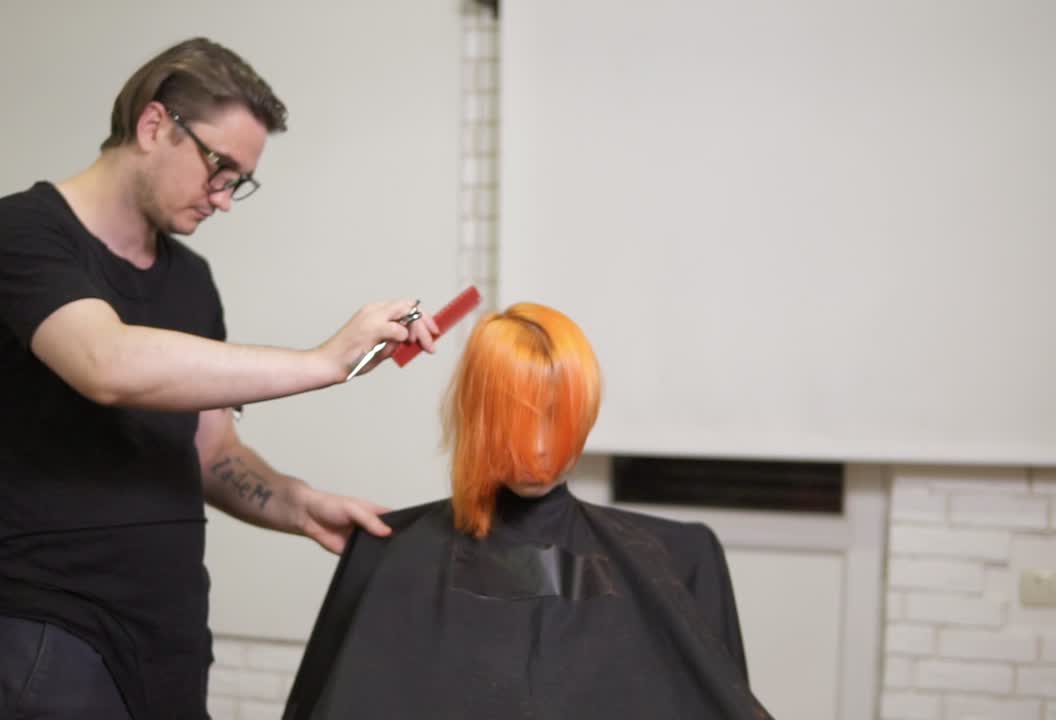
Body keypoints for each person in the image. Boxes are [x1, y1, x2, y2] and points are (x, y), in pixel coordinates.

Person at [0, 37, 439, 720]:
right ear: (155, 125)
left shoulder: (191, 280)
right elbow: (106, 364)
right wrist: (323, 362)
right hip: (50, 627)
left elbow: (212, 455)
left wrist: (302, 506)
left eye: (239, 180)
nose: (226, 199)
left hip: (170, 633)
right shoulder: (23, 231)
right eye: (220, 168)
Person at [283, 303, 774, 720]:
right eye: (514, 421)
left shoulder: (682, 557)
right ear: (477, 416)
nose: (538, 448)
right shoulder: (389, 553)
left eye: (556, 419)